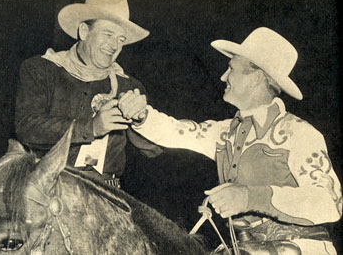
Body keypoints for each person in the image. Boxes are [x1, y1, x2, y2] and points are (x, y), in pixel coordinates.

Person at [118, 27, 342, 254]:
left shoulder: (299, 132)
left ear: (256, 78)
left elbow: (329, 202)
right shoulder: (226, 132)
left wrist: (249, 197)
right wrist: (142, 115)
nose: (223, 77)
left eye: (231, 69)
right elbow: (177, 131)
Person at [15, 0, 161, 187]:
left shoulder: (129, 87)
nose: (115, 46)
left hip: (106, 193)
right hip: (43, 188)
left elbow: (153, 150)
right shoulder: (42, 69)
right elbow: (27, 127)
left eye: (121, 39)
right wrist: (91, 128)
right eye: (108, 34)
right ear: (84, 31)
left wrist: (143, 120)